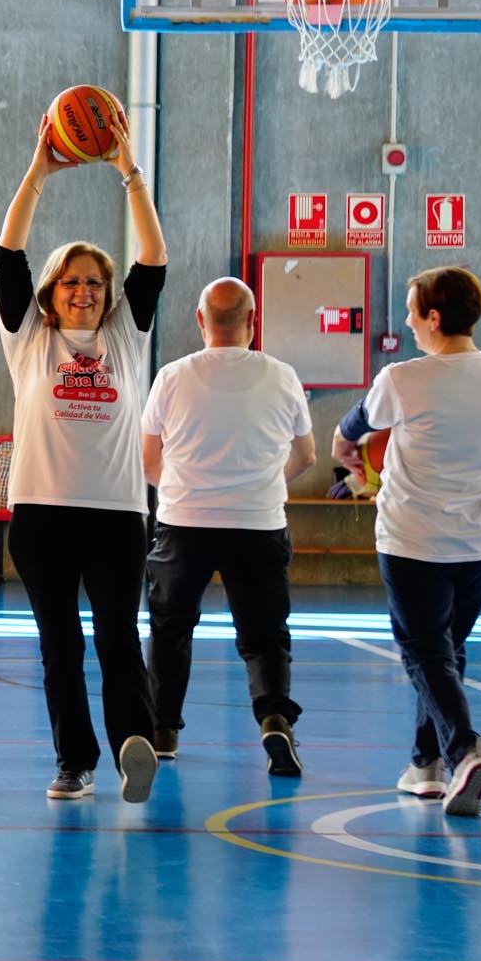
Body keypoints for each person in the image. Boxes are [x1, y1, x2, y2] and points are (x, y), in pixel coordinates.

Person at [0, 109, 166, 803]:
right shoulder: (29, 337)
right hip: (40, 514)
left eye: (96, 282)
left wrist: (129, 172)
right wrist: (40, 169)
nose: (85, 290)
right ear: (51, 294)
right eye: (72, 281)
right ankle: (74, 759)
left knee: (119, 637)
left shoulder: (127, 335)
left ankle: (134, 746)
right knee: (58, 645)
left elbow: (153, 259)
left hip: (117, 513)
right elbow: (8, 254)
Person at [333, 267, 481, 817]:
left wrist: (347, 448)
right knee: (444, 654)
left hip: (415, 541)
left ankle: (464, 751)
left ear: (434, 319)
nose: (410, 323)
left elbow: (358, 422)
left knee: (425, 652)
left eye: (415, 312)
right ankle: (426, 765)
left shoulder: (402, 378)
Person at [141, 278, 316, 774]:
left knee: (171, 627)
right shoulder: (283, 377)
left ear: (200, 322)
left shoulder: (172, 377)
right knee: (264, 633)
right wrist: (264, 484)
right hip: (258, 523)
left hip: (183, 523)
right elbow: (306, 456)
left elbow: (148, 459)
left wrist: (179, 491)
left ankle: (163, 730)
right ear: (253, 321)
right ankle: (275, 718)